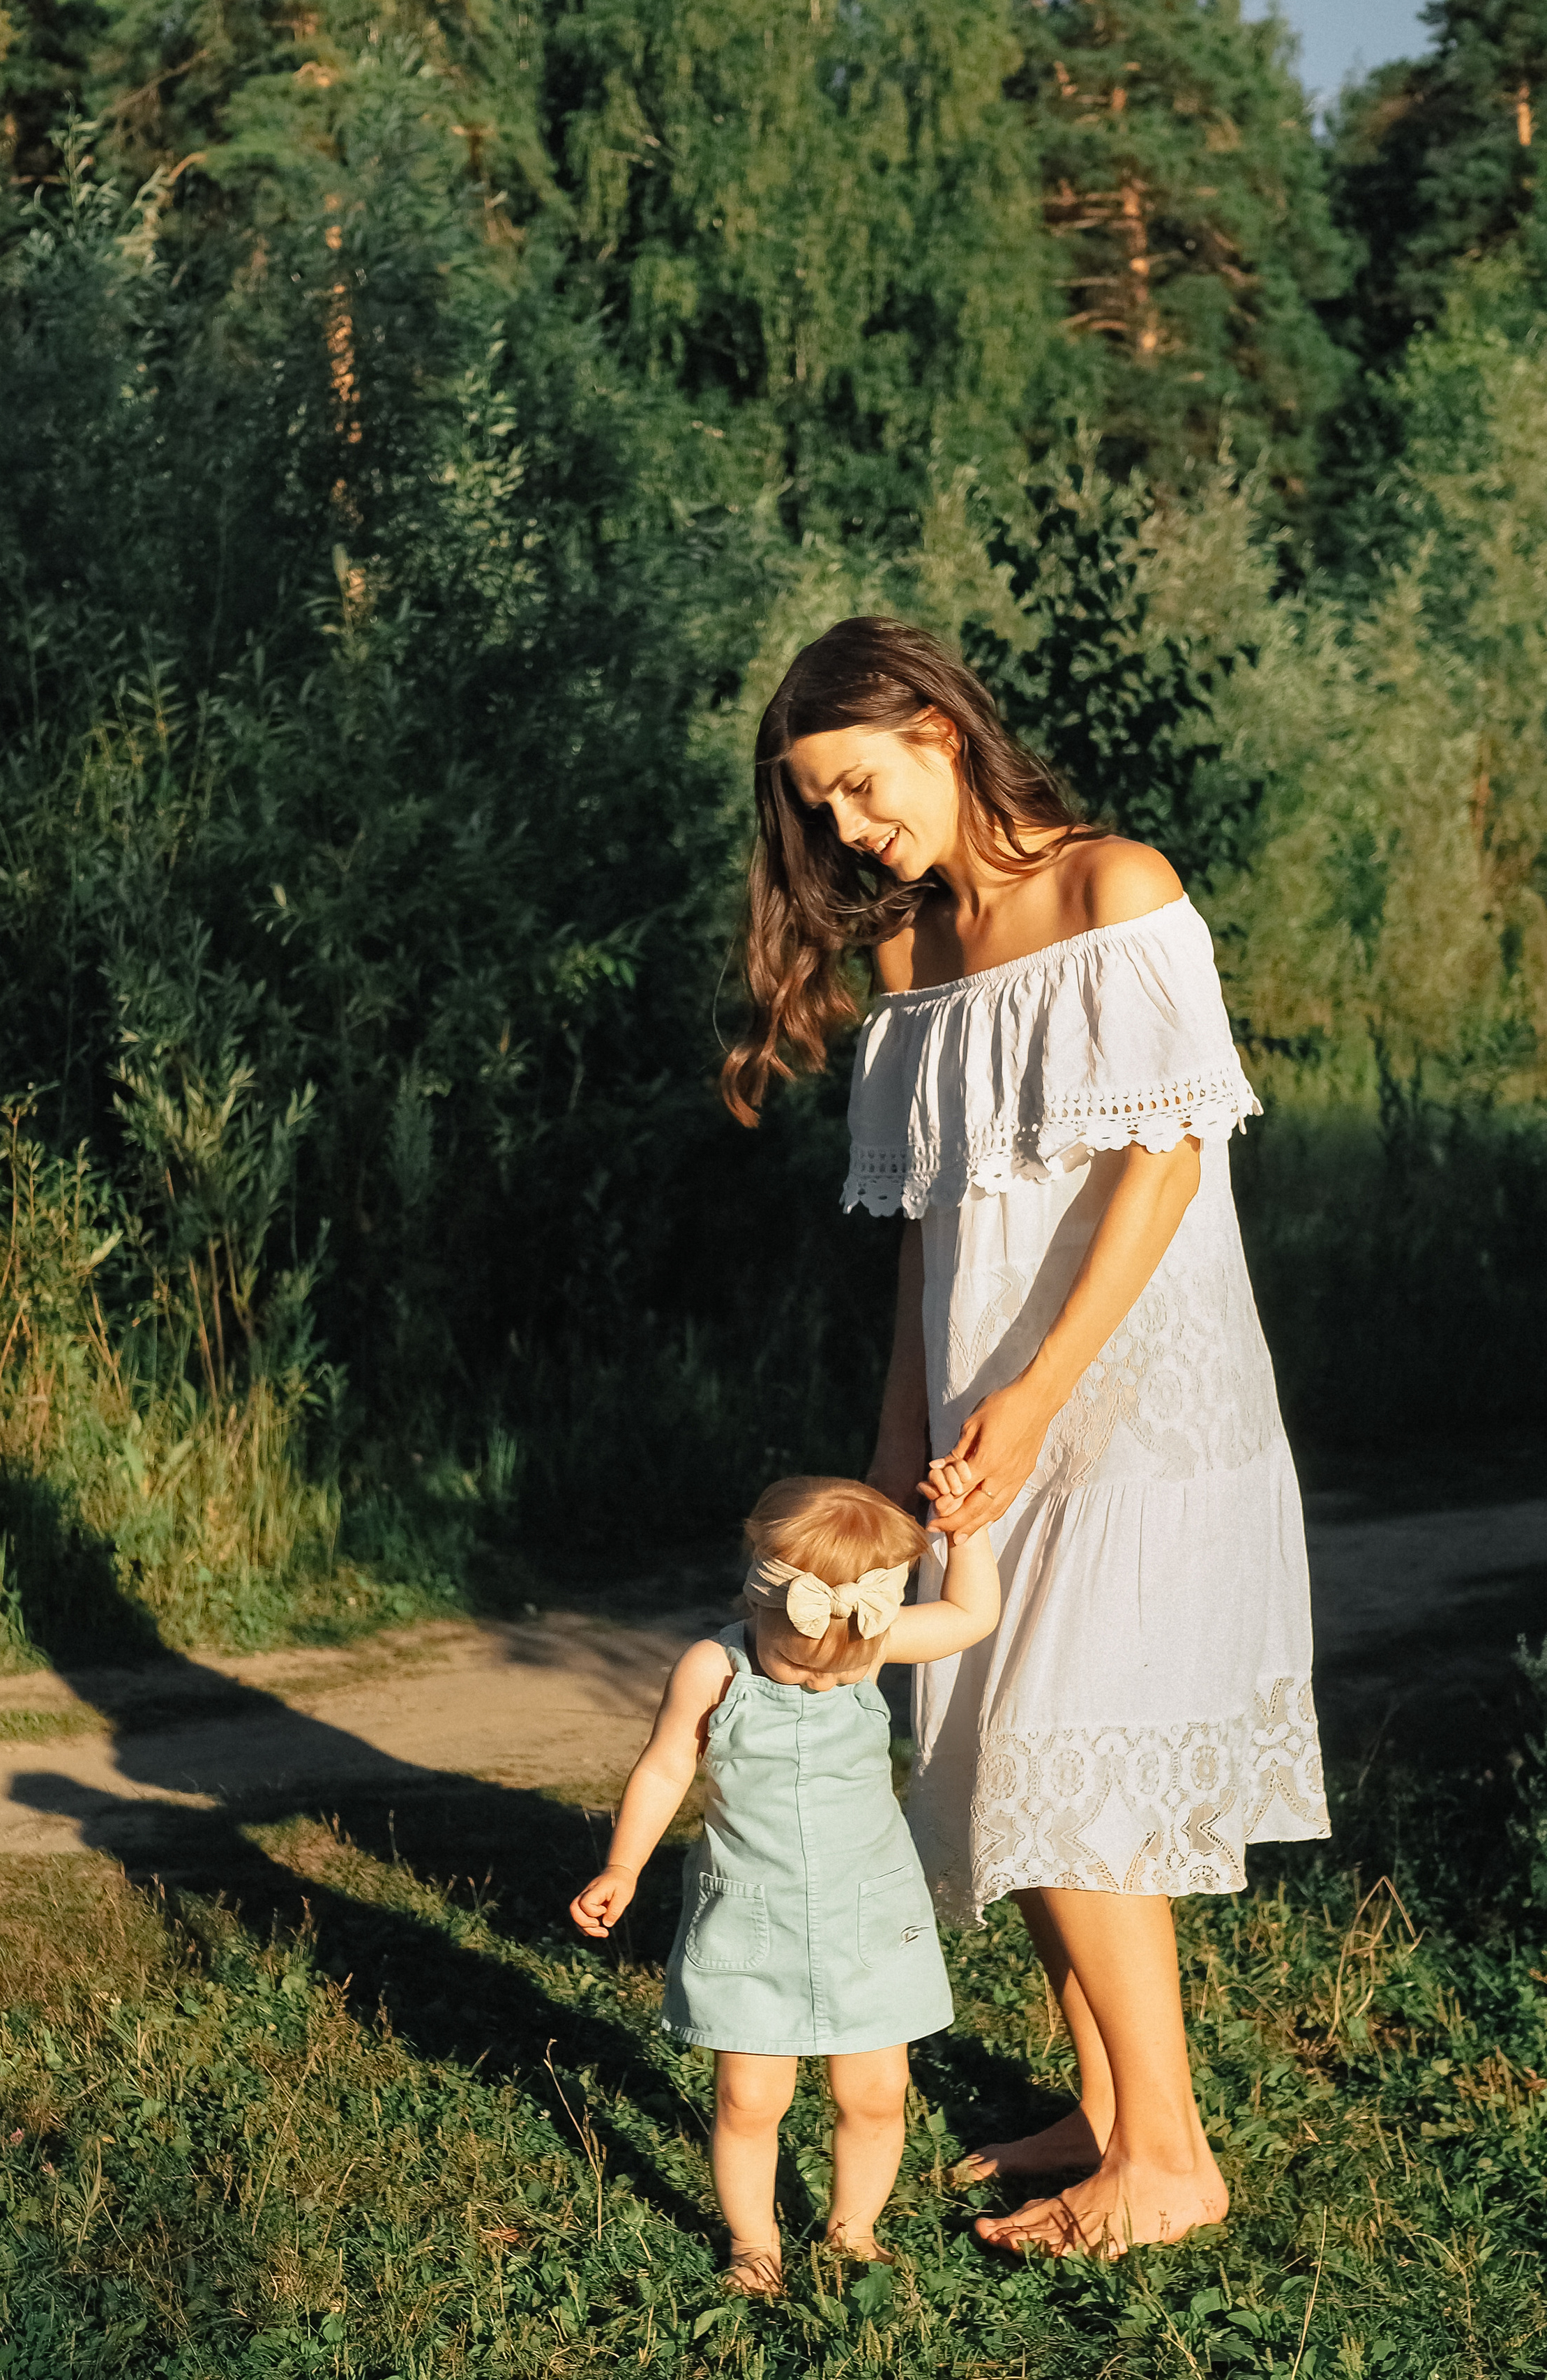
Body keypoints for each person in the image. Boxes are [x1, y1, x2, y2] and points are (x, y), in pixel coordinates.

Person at [721, 616, 1329, 2260]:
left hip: (1132, 1400)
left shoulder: (1114, 889)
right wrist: (885, 1463)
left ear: (932, 724)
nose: (845, 831)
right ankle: (1102, 2111)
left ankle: (1171, 2161)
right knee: (1000, 1746)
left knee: (1072, 1761)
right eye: (816, 809)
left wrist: (1041, 1390)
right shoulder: (911, 963)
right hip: (976, 1424)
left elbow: (1167, 1162)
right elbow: (924, 1235)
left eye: (855, 784)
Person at [571, 1473, 999, 2296]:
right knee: (746, 2099)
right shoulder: (713, 1665)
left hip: (868, 1915)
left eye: (834, 1675)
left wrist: (966, 1534)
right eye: (798, 1664)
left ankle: (852, 2229)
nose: (816, 1679)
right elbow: (666, 1766)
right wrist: (622, 1864)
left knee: (876, 2094)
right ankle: (753, 2244)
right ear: (758, 1596)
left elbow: (968, 1617)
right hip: (752, 1920)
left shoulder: (864, 1639)